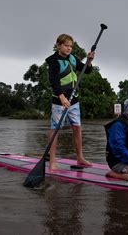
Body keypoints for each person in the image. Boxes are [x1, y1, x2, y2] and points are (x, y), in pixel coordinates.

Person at [45, 33, 95, 170]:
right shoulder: (54, 61)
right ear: (58, 45)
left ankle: (80, 158)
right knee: (55, 129)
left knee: (77, 127)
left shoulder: (73, 58)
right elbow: (54, 82)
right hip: (59, 100)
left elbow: (87, 70)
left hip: (74, 100)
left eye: (71, 46)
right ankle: (53, 160)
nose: (69, 48)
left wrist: (89, 60)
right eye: (66, 45)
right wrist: (61, 97)